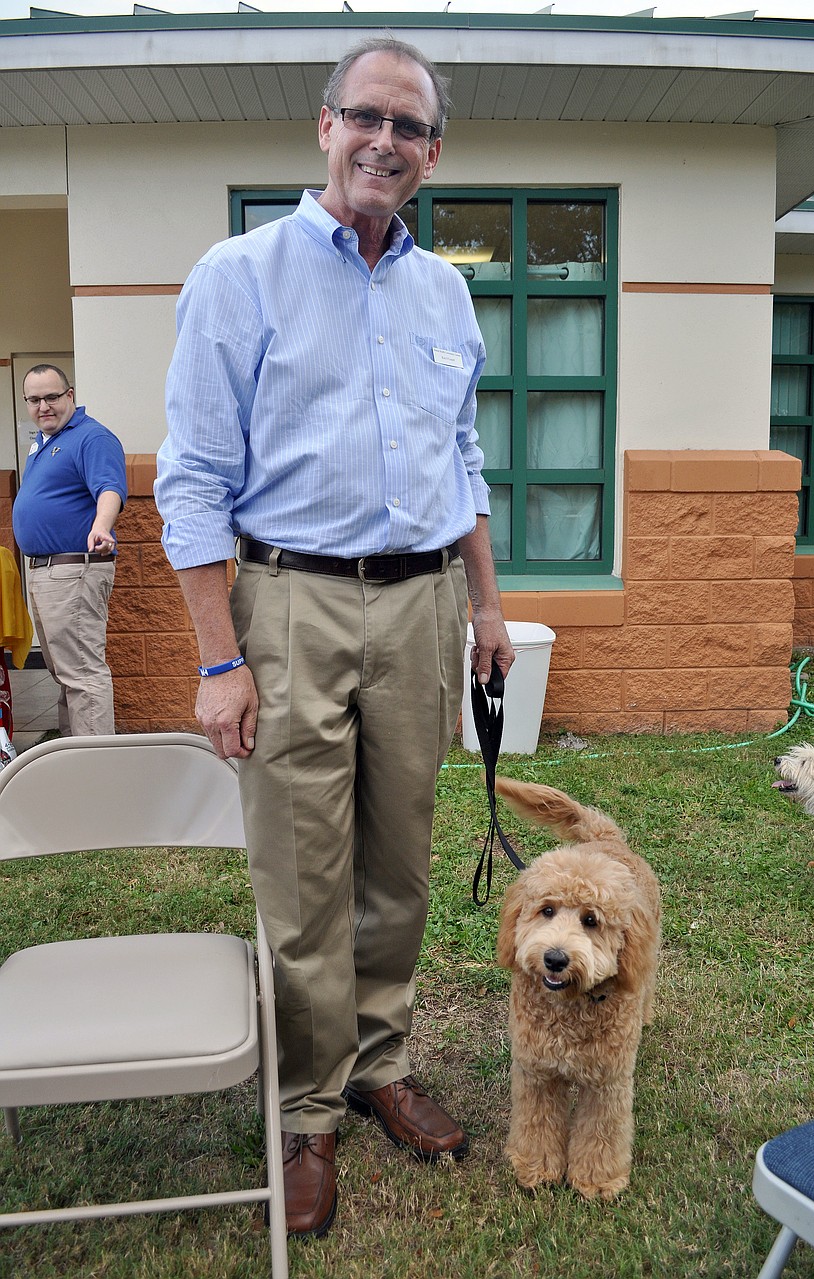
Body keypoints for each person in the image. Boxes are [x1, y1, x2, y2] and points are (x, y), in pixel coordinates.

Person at [155, 35, 514, 1239]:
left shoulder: (445, 290)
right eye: (366, 116)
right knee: (304, 868)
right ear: (323, 126)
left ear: (432, 152)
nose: (385, 142)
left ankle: (378, 1060)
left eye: (408, 127)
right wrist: (217, 657)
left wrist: (489, 604)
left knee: (396, 854)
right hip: (290, 601)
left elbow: (460, 461)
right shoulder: (238, 274)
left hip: (424, 604)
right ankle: (305, 1113)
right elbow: (194, 480)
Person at [12, 364, 126, 737]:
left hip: (72, 571)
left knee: (82, 675)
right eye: (34, 399)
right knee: (66, 674)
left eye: (52, 397)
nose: (44, 406)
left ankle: (94, 771)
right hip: (46, 572)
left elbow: (110, 488)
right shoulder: (42, 443)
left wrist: (101, 525)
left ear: (70, 395)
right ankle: (73, 755)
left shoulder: (92, 438)